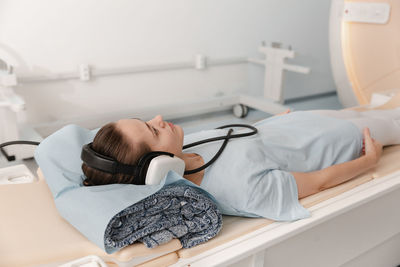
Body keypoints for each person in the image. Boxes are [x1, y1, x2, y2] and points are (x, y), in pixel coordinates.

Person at [81, 100, 400, 202]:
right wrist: (368, 162)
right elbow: (317, 182)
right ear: (157, 166)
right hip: (341, 141)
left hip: (306, 122)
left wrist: (274, 122)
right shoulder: (239, 189)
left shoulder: (185, 149)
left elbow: (236, 138)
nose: (159, 119)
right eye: (152, 130)